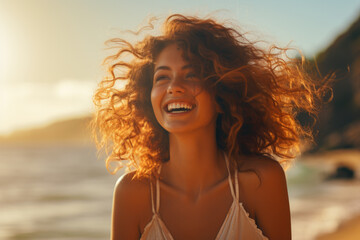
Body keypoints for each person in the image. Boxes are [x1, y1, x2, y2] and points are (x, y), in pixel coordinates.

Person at [92, 14, 330, 240]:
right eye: (162, 77)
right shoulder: (132, 194)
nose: (174, 87)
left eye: (192, 74)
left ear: (222, 91)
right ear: (148, 96)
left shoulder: (261, 180)